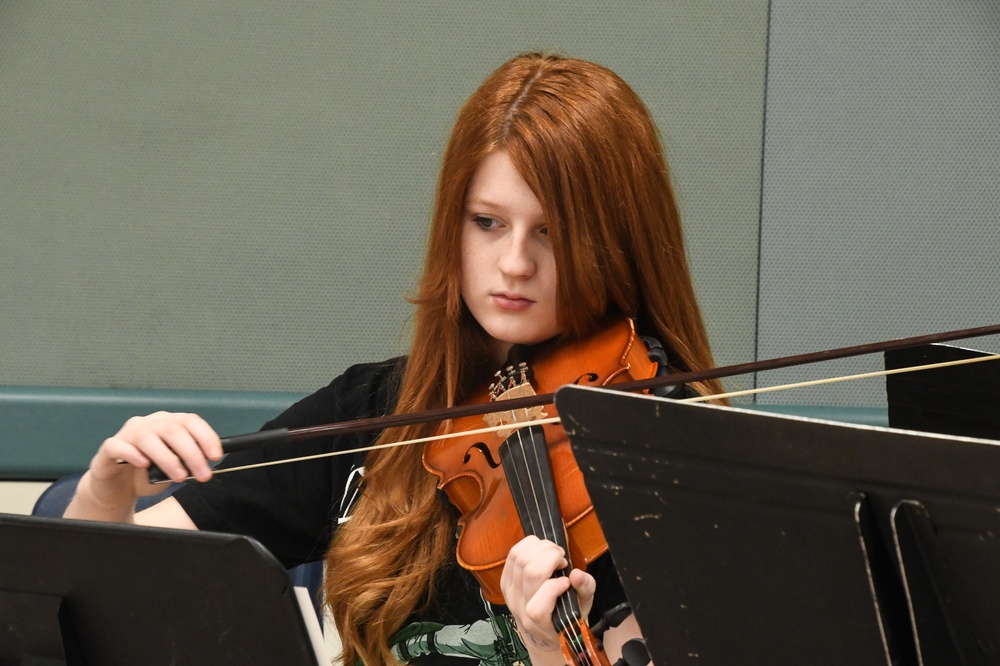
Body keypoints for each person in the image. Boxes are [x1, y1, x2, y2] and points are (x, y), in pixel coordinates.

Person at [65, 52, 725, 666]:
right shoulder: (373, 408)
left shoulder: (661, 438)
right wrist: (107, 492)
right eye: (487, 222)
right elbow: (93, 604)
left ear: (615, 243)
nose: (515, 263)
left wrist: (551, 654)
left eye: (551, 232)